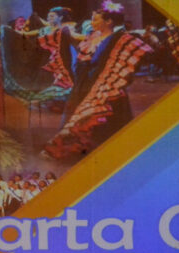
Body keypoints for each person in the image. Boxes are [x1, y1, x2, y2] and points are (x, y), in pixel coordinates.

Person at [42, 2, 152, 159]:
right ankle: (78, 148)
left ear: (109, 21)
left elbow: (140, 51)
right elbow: (75, 40)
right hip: (85, 84)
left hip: (105, 85)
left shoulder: (119, 38)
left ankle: (109, 151)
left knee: (102, 120)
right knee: (79, 116)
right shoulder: (93, 36)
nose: (92, 22)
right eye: (92, 19)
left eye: (95, 19)